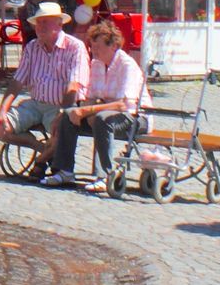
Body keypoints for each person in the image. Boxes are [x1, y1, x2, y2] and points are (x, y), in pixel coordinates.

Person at [0, 2, 87, 185]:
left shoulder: (75, 47)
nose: (39, 27)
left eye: (45, 22)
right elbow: (17, 82)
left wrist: (63, 113)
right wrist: (2, 110)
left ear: (59, 23)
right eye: (38, 23)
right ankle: (42, 149)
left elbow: (74, 85)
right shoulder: (32, 47)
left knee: (63, 129)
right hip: (35, 103)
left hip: (60, 105)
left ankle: (41, 162)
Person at [50, 18, 149, 187]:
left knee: (103, 119)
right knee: (69, 114)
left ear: (113, 46)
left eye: (98, 47)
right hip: (105, 113)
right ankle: (64, 171)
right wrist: (80, 110)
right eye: (92, 46)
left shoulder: (127, 65)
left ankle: (105, 175)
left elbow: (123, 104)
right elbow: (91, 96)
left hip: (135, 117)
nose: (93, 50)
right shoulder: (96, 64)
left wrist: (90, 110)